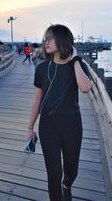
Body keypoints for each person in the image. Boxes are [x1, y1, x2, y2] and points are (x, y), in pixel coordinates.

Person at [27, 24, 92, 201]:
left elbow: (85, 88)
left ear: (62, 40)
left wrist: (76, 60)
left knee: (72, 169)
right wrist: (30, 127)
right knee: (53, 173)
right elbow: (37, 99)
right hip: (48, 126)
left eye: (50, 38)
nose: (45, 42)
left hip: (72, 124)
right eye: (44, 38)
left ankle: (67, 185)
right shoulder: (41, 68)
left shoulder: (77, 66)